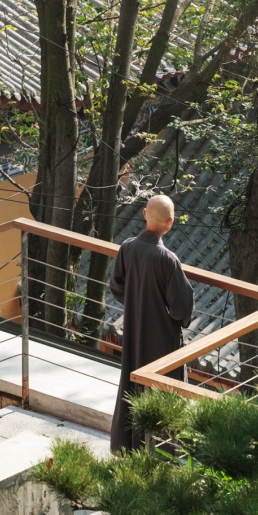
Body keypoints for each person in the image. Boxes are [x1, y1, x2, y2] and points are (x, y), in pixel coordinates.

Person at [109, 194, 194, 452]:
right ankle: (164, 452)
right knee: (164, 389)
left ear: (145, 214)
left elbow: (117, 285)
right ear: (170, 222)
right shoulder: (167, 259)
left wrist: (137, 302)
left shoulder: (128, 247)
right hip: (162, 338)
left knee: (132, 382)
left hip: (134, 328)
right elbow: (181, 307)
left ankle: (127, 446)